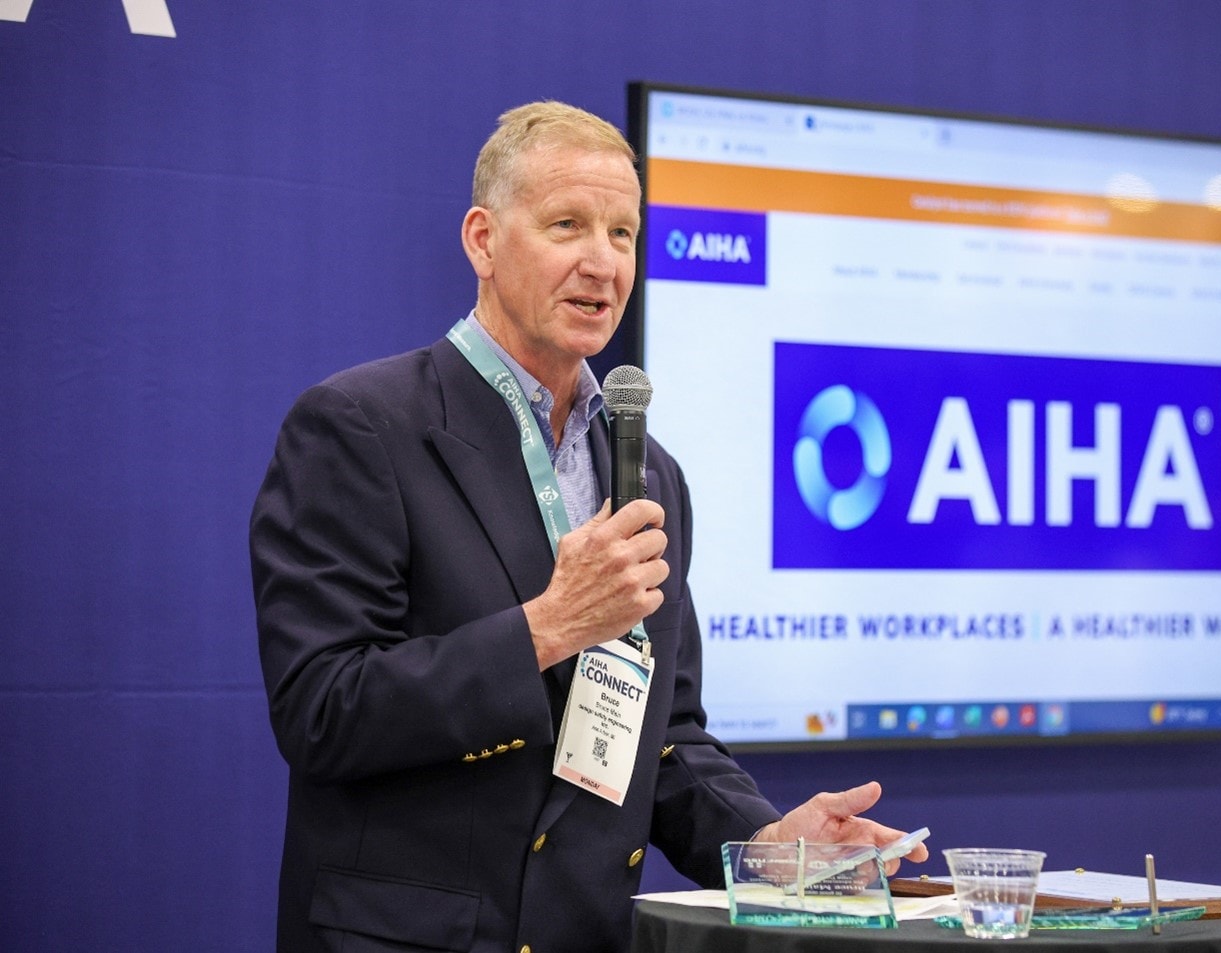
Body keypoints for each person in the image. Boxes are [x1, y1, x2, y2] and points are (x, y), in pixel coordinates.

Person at [250, 100, 927, 953]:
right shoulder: (360, 426)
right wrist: (546, 628)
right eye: (567, 224)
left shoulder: (651, 472)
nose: (601, 262)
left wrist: (765, 845)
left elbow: (664, 734)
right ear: (483, 240)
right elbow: (323, 711)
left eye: (622, 233)